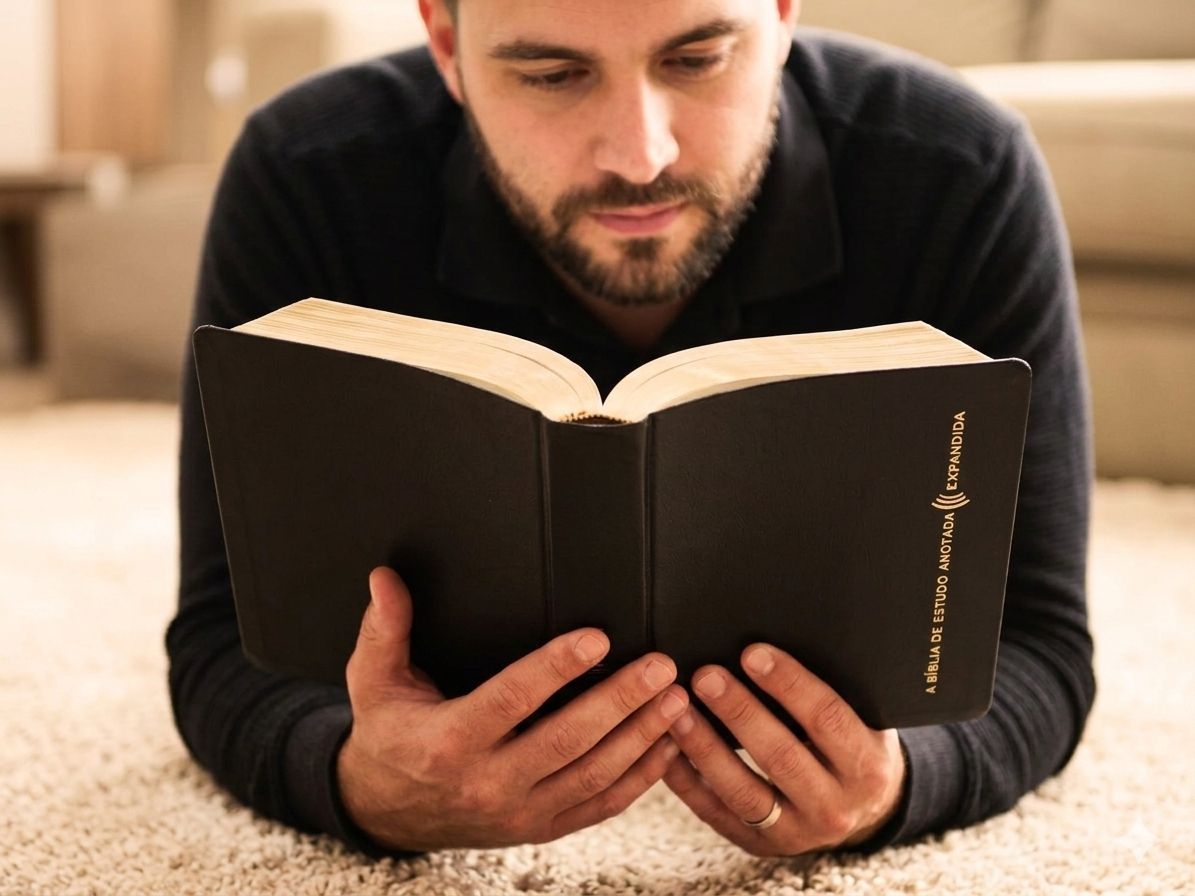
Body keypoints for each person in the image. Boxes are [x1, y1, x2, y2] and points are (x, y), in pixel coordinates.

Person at [168, 0, 1095, 858]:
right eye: (549, 74)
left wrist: (901, 786)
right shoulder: (305, 173)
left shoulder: (957, 171)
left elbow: (1042, 646)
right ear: (447, 46)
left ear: (779, 13)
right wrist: (355, 782)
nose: (639, 154)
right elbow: (221, 640)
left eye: (697, 58)